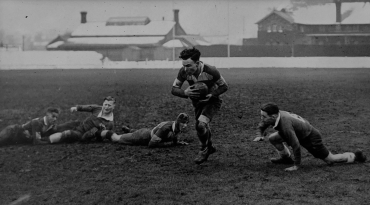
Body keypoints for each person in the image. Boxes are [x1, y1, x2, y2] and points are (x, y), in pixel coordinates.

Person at [253, 102, 367, 172]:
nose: (262, 119)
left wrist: (296, 165)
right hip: (298, 132)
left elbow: (296, 145)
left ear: (273, 116)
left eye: (263, 116)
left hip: (310, 138)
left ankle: (355, 156)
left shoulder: (285, 124)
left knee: (330, 160)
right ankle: (286, 159)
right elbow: (262, 125)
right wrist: (260, 135)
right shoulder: (275, 115)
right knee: (273, 138)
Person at [171, 47, 229, 164]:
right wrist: (184, 93)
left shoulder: (211, 71)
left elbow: (224, 86)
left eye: (188, 65)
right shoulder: (183, 72)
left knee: (202, 124)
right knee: (199, 127)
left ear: (197, 63)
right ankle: (210, 147)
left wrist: (212, 94)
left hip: (212, 101)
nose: (185, 69)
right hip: (197, 102)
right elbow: (174, 89)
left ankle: (204, 149)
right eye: (184, 65)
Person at [48, 96, 116, 144]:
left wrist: (94, 132)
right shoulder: (98, 109)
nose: (106, 107)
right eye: (105, 104)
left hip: (82, 133)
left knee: (67, 133)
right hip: (80, 124)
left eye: (109, 105)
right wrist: (77, 108)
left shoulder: (109, 123)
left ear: (113, 107)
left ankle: (44, 141)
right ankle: (43, 132)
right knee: (58, 127)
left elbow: (100, 137)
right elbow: (89, 107)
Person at [0, 107, 80, 146]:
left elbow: (60, 127)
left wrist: (74, 123)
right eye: (53, 116)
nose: (55, 119)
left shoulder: (51, 126)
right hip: (13, 132)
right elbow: (37, 142)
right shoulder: (37, 123)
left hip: (18, 139)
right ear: (47, 115)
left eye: (56, 117)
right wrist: (50, 141)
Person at [106, 113, 190, 148]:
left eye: (186, 123)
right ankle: (104, 132)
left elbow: (174, 135)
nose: (185, 125)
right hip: (142, 137)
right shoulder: (165, 129)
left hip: (148, 132)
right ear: (178, 122)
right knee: (116, 138)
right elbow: (151, 144)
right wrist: (170, 144)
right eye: (183, 123)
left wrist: (177, 142)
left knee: (137, 132)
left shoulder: (177, 127)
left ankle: (129, 130)